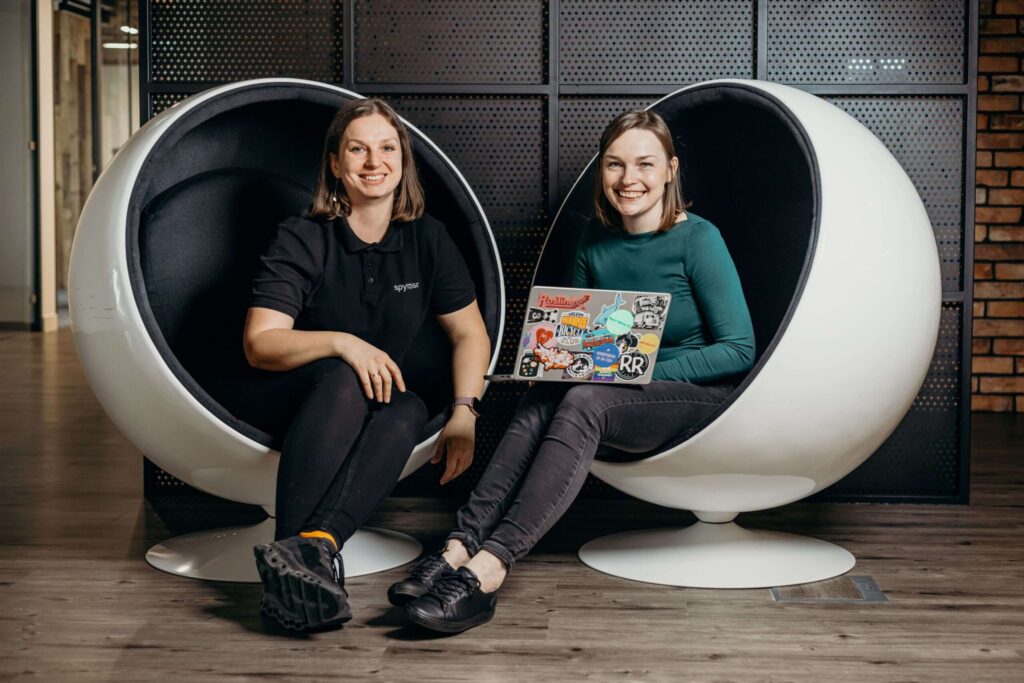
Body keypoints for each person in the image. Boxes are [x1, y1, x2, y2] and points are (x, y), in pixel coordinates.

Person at [390, 109, 755, 634]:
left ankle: (489, 569)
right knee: (542, 395)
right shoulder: (593, 242)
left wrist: (635, 365)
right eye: (615, 165)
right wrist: (556, 360)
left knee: (584, 400)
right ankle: (456, 548)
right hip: (616, 393)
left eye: (645, 164)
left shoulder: (698, 239)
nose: (630, 179)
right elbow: (582, 342)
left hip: (699, 397)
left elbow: (739, 350)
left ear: (671, 170)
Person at [217, 99, 490, 631]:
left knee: (408, 403)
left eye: (387, 148)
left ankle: (312, 551)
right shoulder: (303, 235)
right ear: (336, 164)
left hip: (367, 404)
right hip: (279, 395)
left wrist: (464, 412)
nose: (374, 161)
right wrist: (343, 342)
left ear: (402, 161)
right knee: (348, 378)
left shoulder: (427, 238)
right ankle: (293, 559)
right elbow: (260, 343)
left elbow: (469, 332)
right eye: (358, 149)